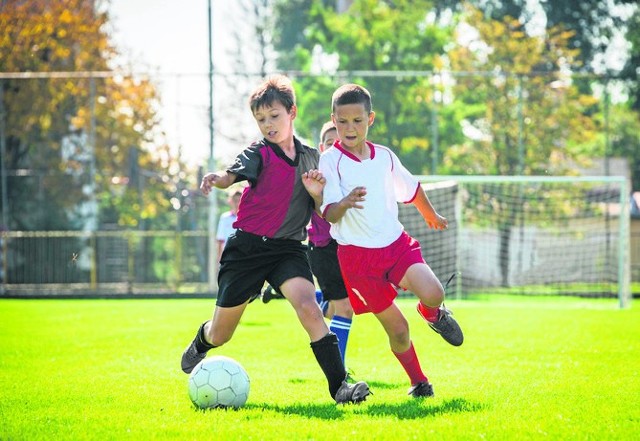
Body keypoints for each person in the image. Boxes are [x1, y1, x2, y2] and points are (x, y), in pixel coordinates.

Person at [180, 75, 370, 405]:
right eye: (261, 119)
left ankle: (340, 387)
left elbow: (322, 210)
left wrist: (316, 194)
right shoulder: (259, 153)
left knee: (309, 307)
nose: (268, 125)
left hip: (288, 249)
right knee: (222, 333)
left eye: (274, 116)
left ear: (292, 112)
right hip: (247, 249)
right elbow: (232, 175)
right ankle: (203, 339)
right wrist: (219, 179)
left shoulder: (312, 158)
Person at [318, 83, 464, 399]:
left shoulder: (384, 156)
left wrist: (431, 214)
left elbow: (412, 189)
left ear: (370, 119)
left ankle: (432, 314)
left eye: (357, 120)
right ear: (334, 119)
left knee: (434, 293)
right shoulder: (330, 161)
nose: (350, 128)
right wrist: (345, 201)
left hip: (396, 246)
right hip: (358, 261)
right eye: (342, 122)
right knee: (398, 330)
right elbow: (328, 213)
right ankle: (420, 382)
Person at [263, 121, 354, 369]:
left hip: (349, 248)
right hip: (324, 247)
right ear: (321, 147)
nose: (336, 146)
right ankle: (340, 372)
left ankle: (284, 291)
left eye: (340, 141)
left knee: (343, 305)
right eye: (330, 142)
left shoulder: (353, 171)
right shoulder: (312, 174)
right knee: (345, 309)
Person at [215, 188, 242, 274]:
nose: (237, 203)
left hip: (243, 255)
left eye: (239, 200)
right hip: (228, 257)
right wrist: (219, 259)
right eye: (235, 200)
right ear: (230, 201)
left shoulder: (247, 218)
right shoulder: (225, 218)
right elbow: (220, 240)